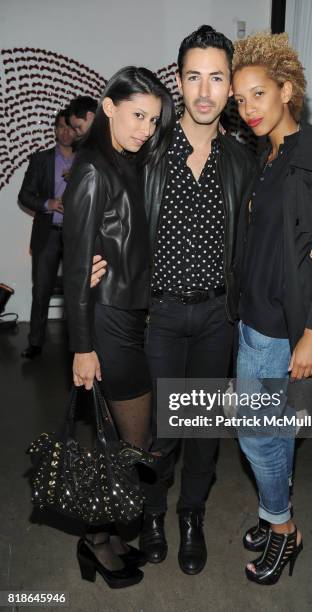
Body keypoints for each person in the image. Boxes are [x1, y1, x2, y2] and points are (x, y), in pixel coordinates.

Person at [91, 25, 256, 575]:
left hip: (215, 317)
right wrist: (95, 253)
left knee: (204, 431)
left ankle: (191, 516)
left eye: (216, 77)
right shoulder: (149, 151)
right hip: (157, 315)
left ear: (230, 85)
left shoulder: (241, 160)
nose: (205, 91)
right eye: (193, 77)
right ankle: (154, 513)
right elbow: (106, 200)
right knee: (158, 432)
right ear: (178, 82)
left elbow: (264, 232)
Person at [231, 32, 312, 585]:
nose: (248, 108)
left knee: (255, 433)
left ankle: (283, 529)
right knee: (272, 432)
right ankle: (271, 512)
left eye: (258, 94)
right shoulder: (268, 155)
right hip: (252, 319)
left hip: (284, 329)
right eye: (240, 100)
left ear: (287, 90)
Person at [62, 66, 175, 588]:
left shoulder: (128, 160)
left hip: (130, 317)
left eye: (153, 119)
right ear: (108, 106)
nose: (145, 128)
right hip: (107, 323)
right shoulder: (92, 169)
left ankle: (101, 537)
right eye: (137, 115)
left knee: (119, 445)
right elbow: (76, 267)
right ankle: (94, 537)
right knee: (136, 444)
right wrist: (82, 349)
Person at [19, 109, 75, 358]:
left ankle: (79, 344)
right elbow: (25, 195)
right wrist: (48, 204)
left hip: (78, 235)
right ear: (54, 129)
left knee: (79, 292)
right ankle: (36, 342)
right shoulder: (40, 159)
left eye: (70, 127)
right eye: (60, 127)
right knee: (41, 289)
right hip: (48, 234)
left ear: (77, 129)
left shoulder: (87, 159)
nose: (65, 132)